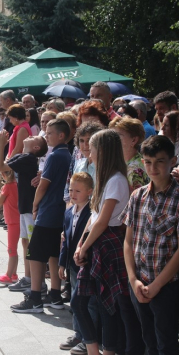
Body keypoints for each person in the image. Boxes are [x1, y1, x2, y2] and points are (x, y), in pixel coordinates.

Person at [71, 130, 132, 355]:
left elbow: (104, 221)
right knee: (81, 302)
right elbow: (94, 216)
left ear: (103, 151)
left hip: (108, 244)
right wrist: (81, 244)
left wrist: (84, 246)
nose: (89, 152)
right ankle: (93, 349)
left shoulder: (116, 180)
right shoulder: (105, 178)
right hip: (95, 242)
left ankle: (106, 351)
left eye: (93, 148)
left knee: (106, 304)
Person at [121, 136, 179, 355]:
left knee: (167, 342)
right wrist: (133, 279)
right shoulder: (138, 195)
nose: (153, 168)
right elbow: (128, 240)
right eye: (147, 162)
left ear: (173, 161)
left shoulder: (177, 198)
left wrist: (157, 286)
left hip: (167, 286)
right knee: (148, 340)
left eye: (160, 161)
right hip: (139, 282)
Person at [11, 119, 72, 313]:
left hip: (48, 210)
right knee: (53, 254)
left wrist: (35, 205)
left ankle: (35, 298)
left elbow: (43, 185)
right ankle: (55, 295)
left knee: (35, 254)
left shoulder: (55, 156)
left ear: (61, 135)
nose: (46, 135)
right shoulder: (67, 154)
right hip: (60, 211)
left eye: (50, 133)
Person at [0, 133, 48, 292]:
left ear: (36, 147)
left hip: (29, 207)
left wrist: (1, 145)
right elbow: (0, 167)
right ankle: (28, 278)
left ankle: (38, 282)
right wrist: (1, 146)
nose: (31, 135)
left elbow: (1, 167)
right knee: (25, 242)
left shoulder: (28, 158)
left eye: (34, 138)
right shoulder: (24, 157)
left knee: (32, 244)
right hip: (24, 207)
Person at [58, 173, 93, 352]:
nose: (73, 194)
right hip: (72, 264)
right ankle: (78, 333)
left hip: (86, 263)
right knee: (74, 299)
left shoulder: (91, 212)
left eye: (78, 191)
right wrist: (62, 263)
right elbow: (66, 240)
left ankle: (87, 337)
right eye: (71, 189)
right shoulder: (68, 212)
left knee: (83, 301)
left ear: (89, 192)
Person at [0, 168, 20, 285]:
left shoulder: (7, 187)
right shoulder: (17, 185)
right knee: (14, 248)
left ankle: (8, 275)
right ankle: (13, 273)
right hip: (17, 220)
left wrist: (1, 190)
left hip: (13, 221)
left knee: (11, 249)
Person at [109, 117, 150, 191]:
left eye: (117, 136)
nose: (112, 140)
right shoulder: (122, 162)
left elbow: (136, 201)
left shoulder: (135, 170)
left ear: (134, 140)